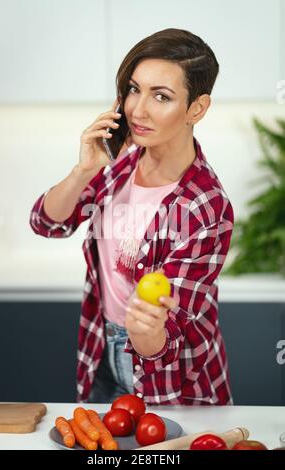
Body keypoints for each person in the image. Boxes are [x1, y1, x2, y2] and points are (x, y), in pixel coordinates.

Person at [30, 28, 234, 406]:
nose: (137, 110)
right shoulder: (122, 158)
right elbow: (48, 223)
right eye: (134, 89)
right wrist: (83, 171)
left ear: (197, 108)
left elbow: (167, 339)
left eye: (161, 96)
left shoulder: (205, 206)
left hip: (170, 378)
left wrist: (146, 331)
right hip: (99, 351)